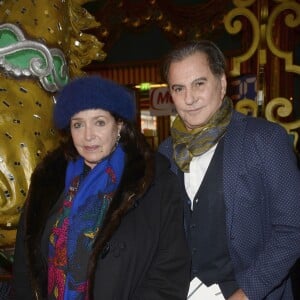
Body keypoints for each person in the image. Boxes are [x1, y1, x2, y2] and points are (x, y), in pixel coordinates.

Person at [12, 75, 191, 299]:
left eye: (99, 122)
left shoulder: (154, 184)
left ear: (120, 126)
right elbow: (24, 266)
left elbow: (168, 274)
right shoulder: (48, 181)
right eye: (78, 124)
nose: (88, 136)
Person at [158, 40, 300, 300]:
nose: (189, 98)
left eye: (199, 84)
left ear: (222, 84)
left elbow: (293, 230)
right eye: (179, 89)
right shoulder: (165, 152)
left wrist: (245, 293)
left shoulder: (264, 140)